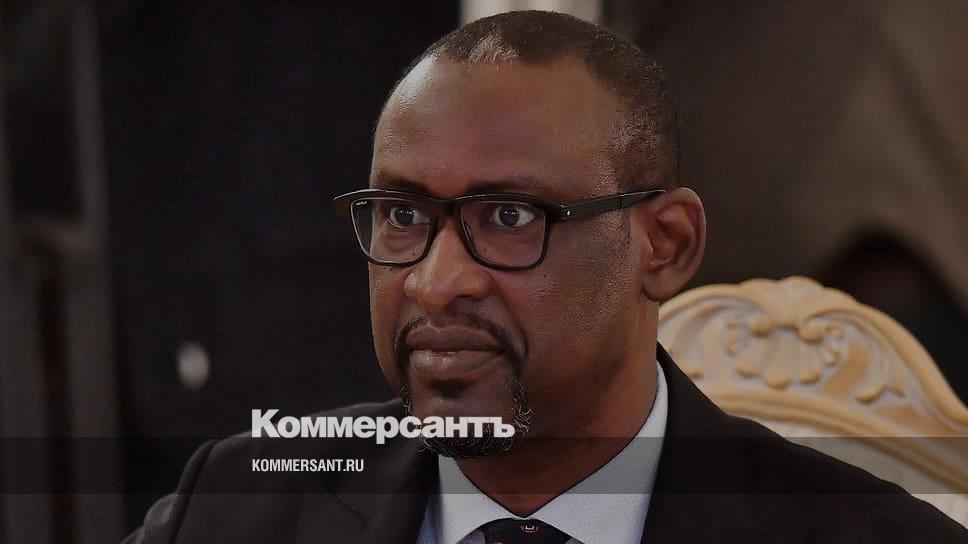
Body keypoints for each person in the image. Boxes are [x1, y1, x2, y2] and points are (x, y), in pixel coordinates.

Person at [125, 11, 966, 543]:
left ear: (664, 245)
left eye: (509, 217)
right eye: (404, 216)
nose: (433, 283)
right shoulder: (234, 506)